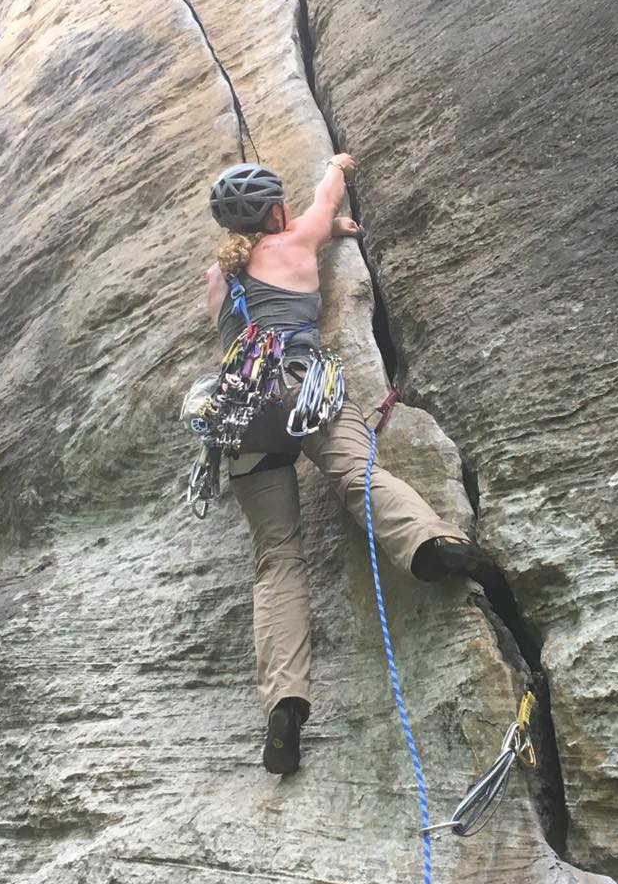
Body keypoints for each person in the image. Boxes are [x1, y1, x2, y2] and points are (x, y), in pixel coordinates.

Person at [205, 158, 500, 775]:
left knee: (276, 557)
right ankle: (429, 546)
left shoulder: (218, 278)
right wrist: (337, 168)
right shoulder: (294, 238)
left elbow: (243, 320)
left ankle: (283, 706)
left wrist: (329, 229)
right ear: (274, 212)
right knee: (356, 478)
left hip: (238, 417)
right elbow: (324, 197)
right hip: (299, 391)